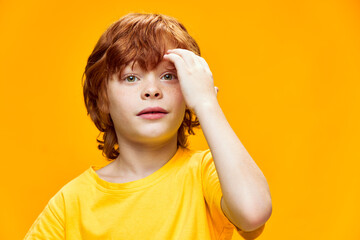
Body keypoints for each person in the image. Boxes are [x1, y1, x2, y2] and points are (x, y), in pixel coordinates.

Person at [24, 12, 272, 240]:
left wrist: (207, 104)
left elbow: (253, 213)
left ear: (187, 92)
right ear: (102, 99)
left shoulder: (207, 174)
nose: (152, 90)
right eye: (131, 77)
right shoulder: (70, 205)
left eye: (169, 76)